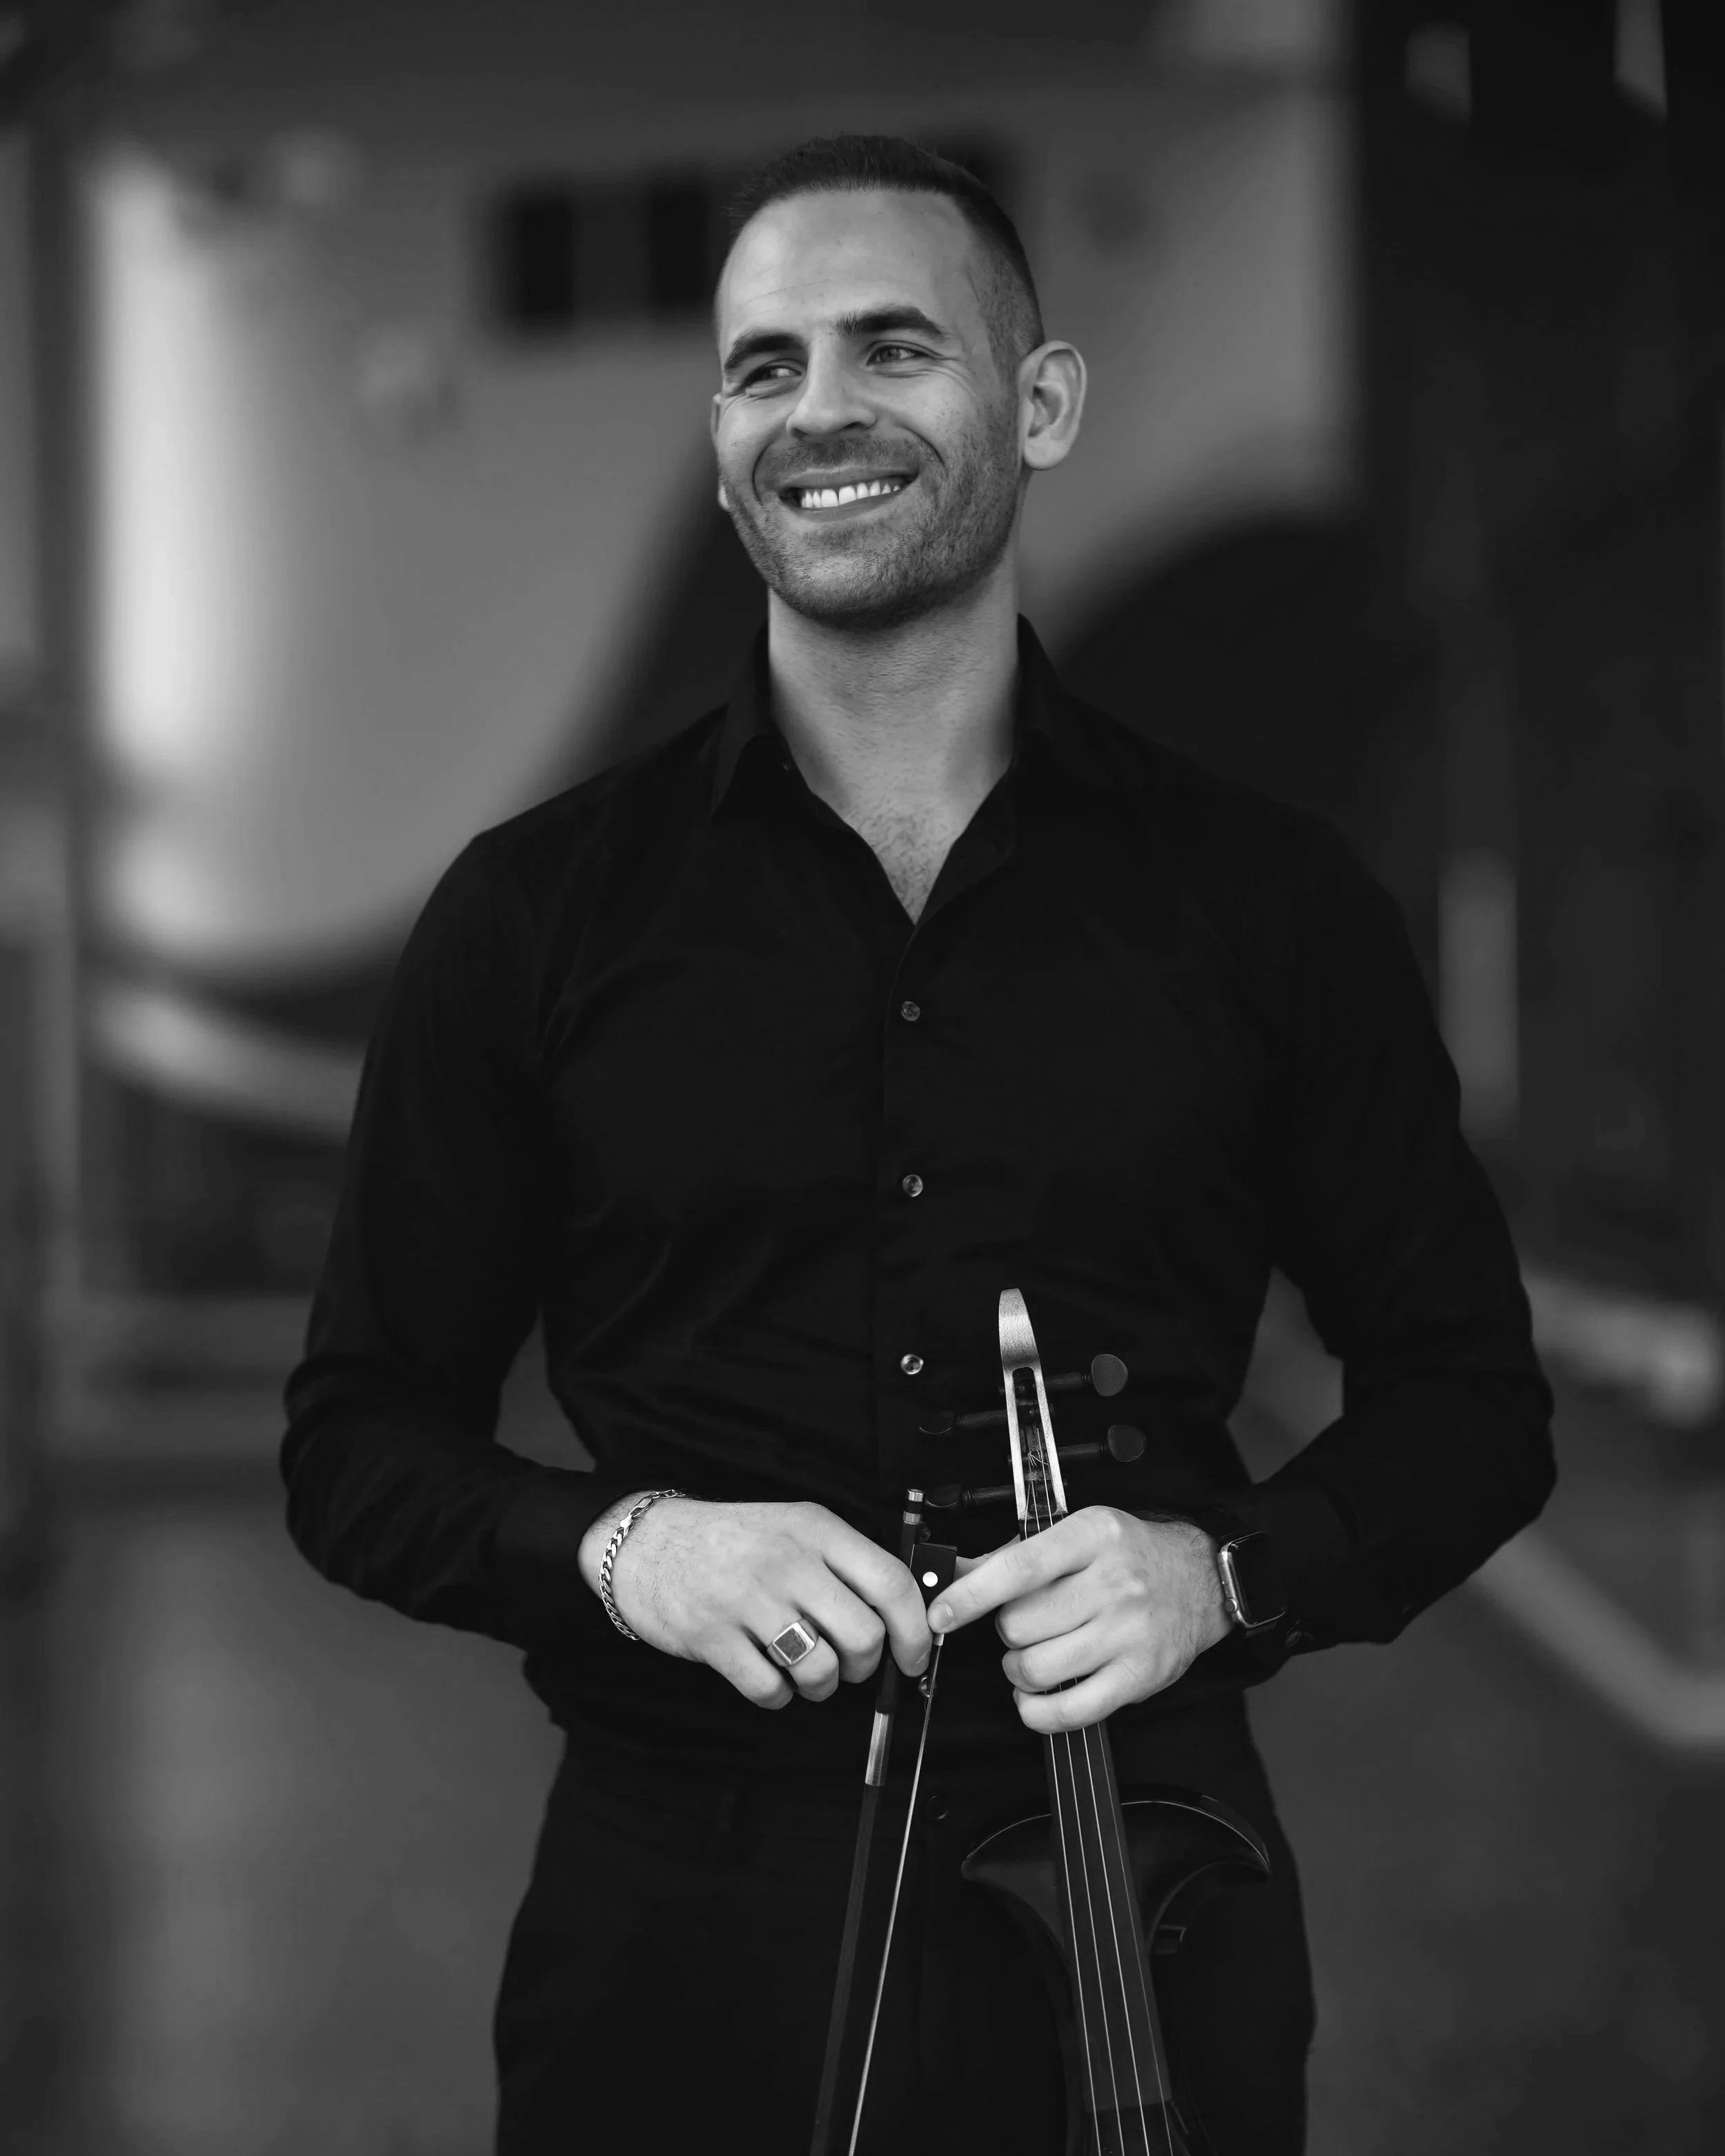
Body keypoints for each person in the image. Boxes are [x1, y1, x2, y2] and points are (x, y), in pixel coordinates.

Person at [279, 134, 1556, 2155]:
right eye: (762, 367)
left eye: (894, 347)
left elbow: (1472, 1405)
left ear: (1035, 403)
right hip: (676, 1914)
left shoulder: (1262, 902)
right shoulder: (535, 915)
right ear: (716, 445)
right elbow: (354, 1444)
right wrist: (629, 1549)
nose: (821, 413)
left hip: (1149, 1878)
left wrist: (1221, 1576)